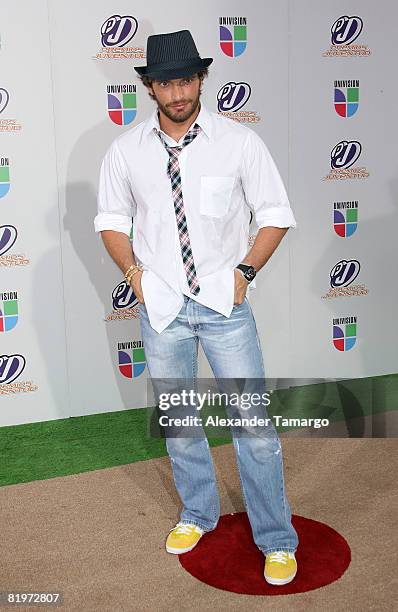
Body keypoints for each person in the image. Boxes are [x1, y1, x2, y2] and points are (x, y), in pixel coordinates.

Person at [94, 29, 299, 586]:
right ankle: (197, 512)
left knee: (252, 424)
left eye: (186, 79)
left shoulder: (239, 142)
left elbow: (275, 212)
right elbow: (111, 222)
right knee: (181, 422)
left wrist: (244, 274)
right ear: (150, 88)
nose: (177, 92)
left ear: (201, 80)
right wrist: (135, 275)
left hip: (223, 306)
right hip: (162, 308)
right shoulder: (126, 151)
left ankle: (277, 539)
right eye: (166, 83)